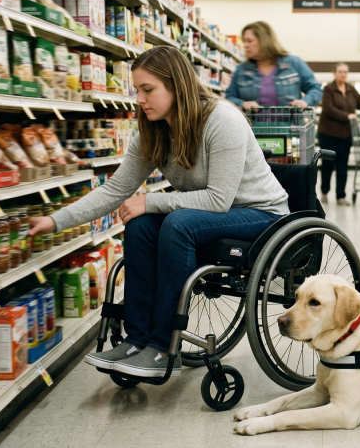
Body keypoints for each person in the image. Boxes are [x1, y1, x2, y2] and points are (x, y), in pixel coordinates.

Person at [27, 46, 289, 378]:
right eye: (137, 89)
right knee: (140, 227)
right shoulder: (155, 131)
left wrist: (150, 202)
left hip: (261, 215)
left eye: (147, 89)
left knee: (174, 222)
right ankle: (137, 340)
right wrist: (54, 220)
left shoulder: (222, 120)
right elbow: (114, 190)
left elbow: (219, 201)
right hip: (209, 219)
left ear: (176, 87)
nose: (139, 98)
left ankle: (164, 347)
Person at [317, 62, 360, 205]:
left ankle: (341, 196)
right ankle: (324, 192)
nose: (343, 74)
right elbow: (328, 109)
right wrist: (347, 115)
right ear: (334, 73)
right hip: (328, 133)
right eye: (340, 72)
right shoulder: (329, 89)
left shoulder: (351, 89)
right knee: (328, 165)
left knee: (343, 165)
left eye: (345, 72)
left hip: (345, 134)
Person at [226, 21, 322, 110]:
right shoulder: (241, 70)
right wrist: (243, 104)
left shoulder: (294, 63)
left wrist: (305, 102)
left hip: (289, 126)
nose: (245, 45)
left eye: (249, 41)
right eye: (244, 41)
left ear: (264, 41)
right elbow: (229, 97)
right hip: (252, 127)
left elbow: (315, 89)